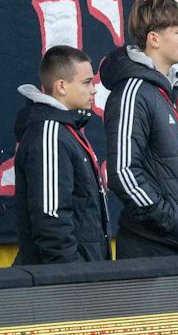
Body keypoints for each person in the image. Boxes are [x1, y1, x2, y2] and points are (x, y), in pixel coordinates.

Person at [102, 0, 178, 259]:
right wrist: (171, 222)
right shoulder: (132, 92)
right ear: (154, 39)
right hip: (150, 248)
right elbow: (123, 173)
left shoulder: (170, 91)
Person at [13, 45, 110, 264]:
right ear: (62, 86)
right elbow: (51, 218)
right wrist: (73, 273)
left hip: (87, 274)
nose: (94, 90)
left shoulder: (66, 131)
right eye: (87, 82)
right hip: (67, 279)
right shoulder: (49, 134)